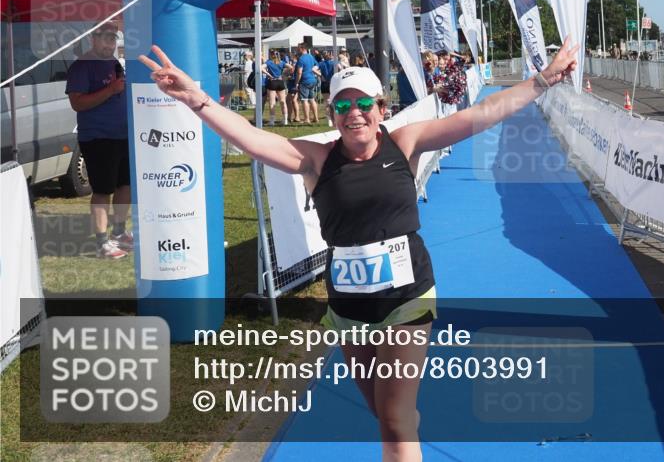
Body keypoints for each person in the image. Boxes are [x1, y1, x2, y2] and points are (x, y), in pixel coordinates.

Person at [139, 38, 578, 462]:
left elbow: (481, 114)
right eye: (344, 106)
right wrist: (196, 99)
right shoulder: (315, 159)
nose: (355, 114)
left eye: (364, 104)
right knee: (383, 411)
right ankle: (407, 422)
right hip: (349, 307)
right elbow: (253, 139)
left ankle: (403, 426)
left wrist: (542, 80)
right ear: (332, 114)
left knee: (391, 419)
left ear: (381, 109)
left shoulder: (404, 142)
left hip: (407, 298)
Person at [65, 22, 133, 259]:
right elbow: (77, 103)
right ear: (93, 39)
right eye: (105, 38)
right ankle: (102, 243)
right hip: (98, 137)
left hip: (122, 135)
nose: (110, 43)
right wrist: (111, 90)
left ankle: (120, 233)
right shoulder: (82, 66)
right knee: (103, 190)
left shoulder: (113, 64)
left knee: (125, 186)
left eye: (113, 39)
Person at [295, 43, 322, 124]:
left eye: (298, 48)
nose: (297, 50)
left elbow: (299, 72)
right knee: (312, 99)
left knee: (304, 100)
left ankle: (307, 119)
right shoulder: (311, 56)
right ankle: (316, 118)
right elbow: (317, 65)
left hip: (304, 81)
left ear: (302, 48)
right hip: (313, 80)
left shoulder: (301, 59)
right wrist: (313, 69)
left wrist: (297, 83)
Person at [264, 51, 289, 126]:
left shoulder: (269, 62)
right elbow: (291, 67)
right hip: (280, 82)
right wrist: (283, 73)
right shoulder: (282, 62)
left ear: (272, 55)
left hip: (272, 82)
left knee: (272, 102)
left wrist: (268, 74)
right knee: (283, 101)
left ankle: (272, 121)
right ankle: (285, 120)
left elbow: (261, 67)